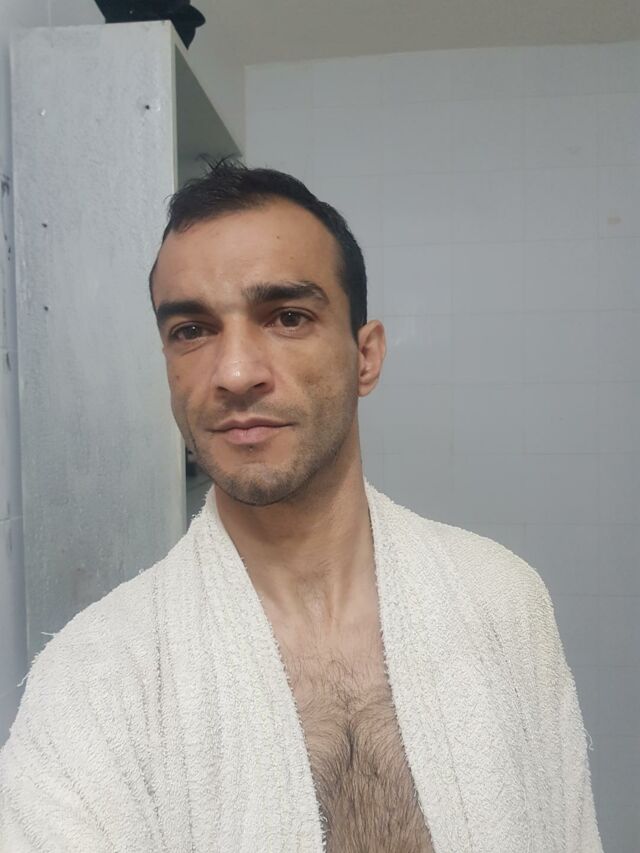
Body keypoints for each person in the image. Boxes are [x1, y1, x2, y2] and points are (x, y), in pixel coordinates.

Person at [0, 160, 602, 853]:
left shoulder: (502, 601)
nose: (234, 374)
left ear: (365, 356)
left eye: (287, 317)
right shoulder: (92, 680)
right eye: (191, 329)